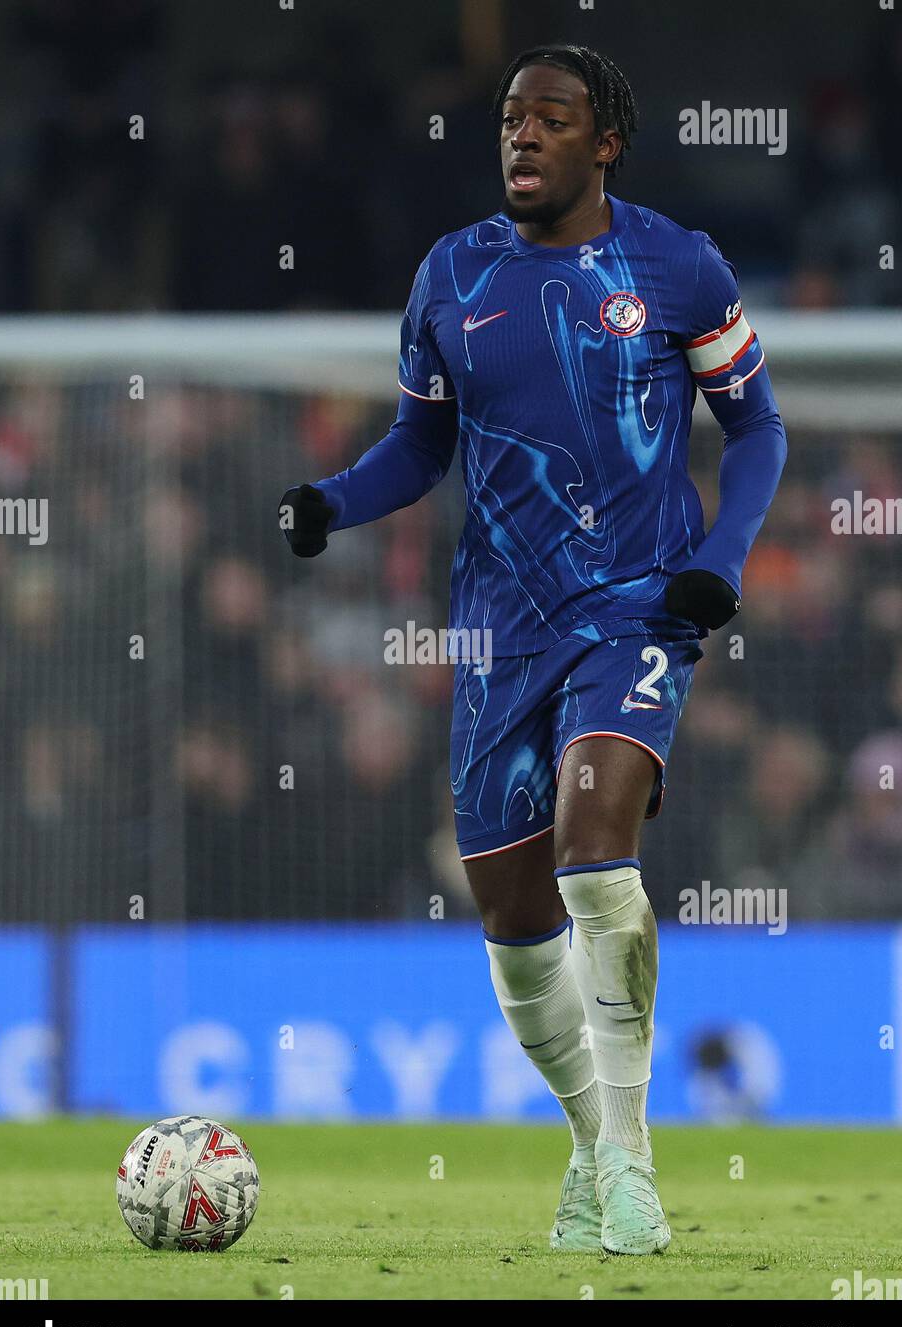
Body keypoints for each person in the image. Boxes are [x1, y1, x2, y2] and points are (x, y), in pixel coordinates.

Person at [280, 43, 787, 1255]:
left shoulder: (675, 266)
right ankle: (588, 1147)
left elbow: (757, 425)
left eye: (550, 120)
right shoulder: (452, 274)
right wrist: (331, 502)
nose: (521, 137)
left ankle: (631, 1167)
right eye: (511, 119)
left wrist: (720, 560)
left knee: (594, 857)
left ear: (603, 141)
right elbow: (418, 446)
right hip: (502, 634)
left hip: (637, 611)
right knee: (511, 924)